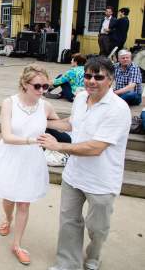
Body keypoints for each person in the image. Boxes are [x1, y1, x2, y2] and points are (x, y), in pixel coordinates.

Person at [40, 57, 132, 270]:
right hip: (73, 175)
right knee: (69, 222)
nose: (91, 81)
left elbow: (96, 147)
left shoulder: (118, 109)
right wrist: (41, 122)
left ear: (110, 80)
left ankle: (93, 256)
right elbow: (71, 124)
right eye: (88, 76)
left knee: (97, 228)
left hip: (102, 180)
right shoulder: (81, 98)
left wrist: (59, 147)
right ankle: (67, 263)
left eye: (98, 77)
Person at [0, 64, 58, 266]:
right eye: (37, 86)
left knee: (24, 202)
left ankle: (17, 245)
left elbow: (61, 125)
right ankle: (7, 218)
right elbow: (7, 136)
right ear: (24, 83)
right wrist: (33, 141)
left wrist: (83, 109)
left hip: (32, 159)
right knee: (9, 198)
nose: (42, 91)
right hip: (12, 154)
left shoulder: (46, 106)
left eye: (45, 87)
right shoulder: (9, 103)